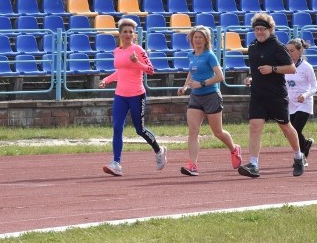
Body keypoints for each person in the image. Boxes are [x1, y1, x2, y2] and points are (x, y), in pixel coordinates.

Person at [238, 12, 306, 178]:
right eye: (257, 29)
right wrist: (251, 77)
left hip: (276, 94)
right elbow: (255, 69)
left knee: (285, 127)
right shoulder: (252, 47)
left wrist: (273, 69)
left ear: (270, 29)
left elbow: (292, 68)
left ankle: (298, 156)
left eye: (263, 29)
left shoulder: (277, 46)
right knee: (255, 127)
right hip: (258, 94)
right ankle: (253, 164)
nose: (259, 32)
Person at [99, 17, 167, 176]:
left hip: (137, 95)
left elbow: (150, 70)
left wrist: (137, 62)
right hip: (120, 96)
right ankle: (116, 163)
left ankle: (159, 151)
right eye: (125, 32)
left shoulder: (138, 50)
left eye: (131, 32)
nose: (128, 34)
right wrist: (107, 80)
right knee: (117, 127)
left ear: (134, 34)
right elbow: (121, 71)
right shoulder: (117, 51)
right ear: (120, 34)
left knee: (140, 129)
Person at [176, 26, 242, 176]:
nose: (197, 40)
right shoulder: (191, 55)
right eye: (195, 37)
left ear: (206, 40)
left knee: (217, 132)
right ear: (191, 39)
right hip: (195, 97)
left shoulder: (210, 55)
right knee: (193, 131)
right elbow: (191, 72)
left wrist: (203, 83)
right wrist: (185, 87)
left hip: (211, 95)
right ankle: (193, 165)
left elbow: (220, 77)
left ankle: (234, 149)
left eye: (201, 37)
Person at [285, 38, 317, 161]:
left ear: (300, 51)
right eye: (287, 51)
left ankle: (301, 157)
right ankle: (306, 144)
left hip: (304, 103)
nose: (289, 53)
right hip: (290, 103)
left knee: (296, 129)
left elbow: (314, 87)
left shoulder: (306, 67)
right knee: (289, 132)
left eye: (292, 50)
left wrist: (305, 95)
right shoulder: (285, 66)